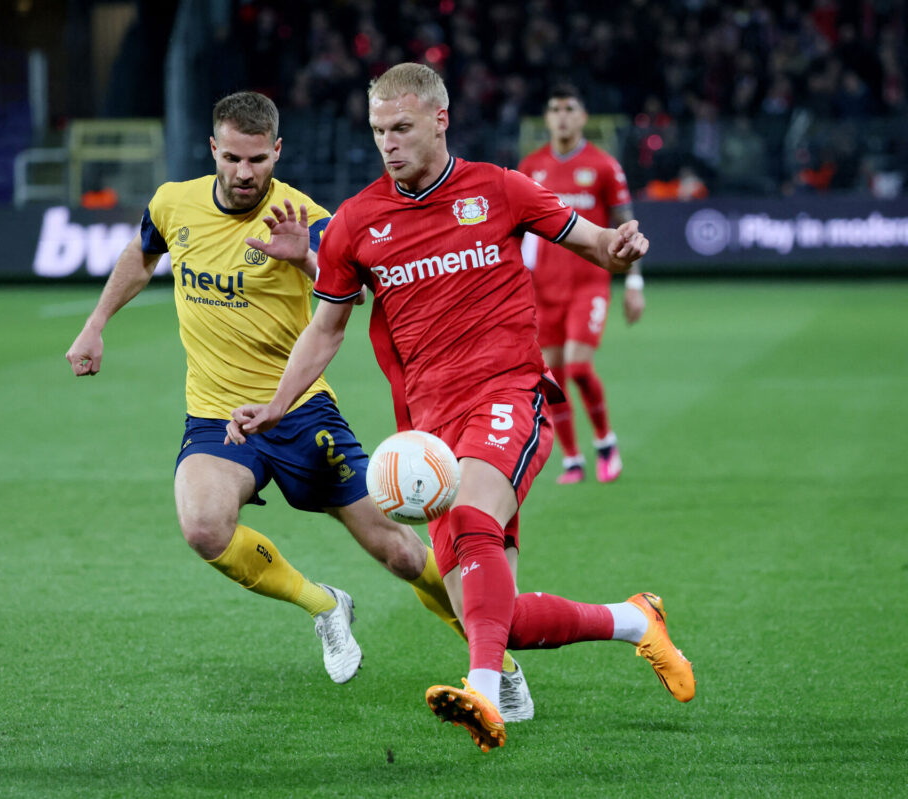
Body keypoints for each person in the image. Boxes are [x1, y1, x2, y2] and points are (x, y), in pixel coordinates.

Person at [228, 65, 695, 752]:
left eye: (402, 128)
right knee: (490, 607)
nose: (388, 143)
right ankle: (633, 620)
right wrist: (275, 404)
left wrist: (619, 249)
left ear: (441, 120)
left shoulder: (499, 188)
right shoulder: (358, 221)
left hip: (509, 393)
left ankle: (481, 693)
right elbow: (327, 326)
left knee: (474, 521)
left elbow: (593, 241)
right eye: (379, 130)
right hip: (430, 429)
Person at [65, 91, 530, 694]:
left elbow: (356, 295)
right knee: (203, 527)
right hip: (218, 415)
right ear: (213, 149)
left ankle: (500, 666)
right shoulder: (171, 203)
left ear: (277, 152)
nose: (243, 173)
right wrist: (95, 324)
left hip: (301, 411)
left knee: (400, 551)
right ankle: (324, 606)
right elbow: (142, 253)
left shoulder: (307, 217)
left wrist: (306, 258)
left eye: (257, 159)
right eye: (231, 157)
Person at [518, 84, 645, 485]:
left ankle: (605, 441)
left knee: (578, 367)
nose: (561, 116)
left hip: (588, 283)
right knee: (552, 377)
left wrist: (634, 283)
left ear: (583, 116)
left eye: (570, 108)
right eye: (554, 109)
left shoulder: (604, 165)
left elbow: (626, 226)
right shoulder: (530, 168)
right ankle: (572, 459)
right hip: (543, 289)